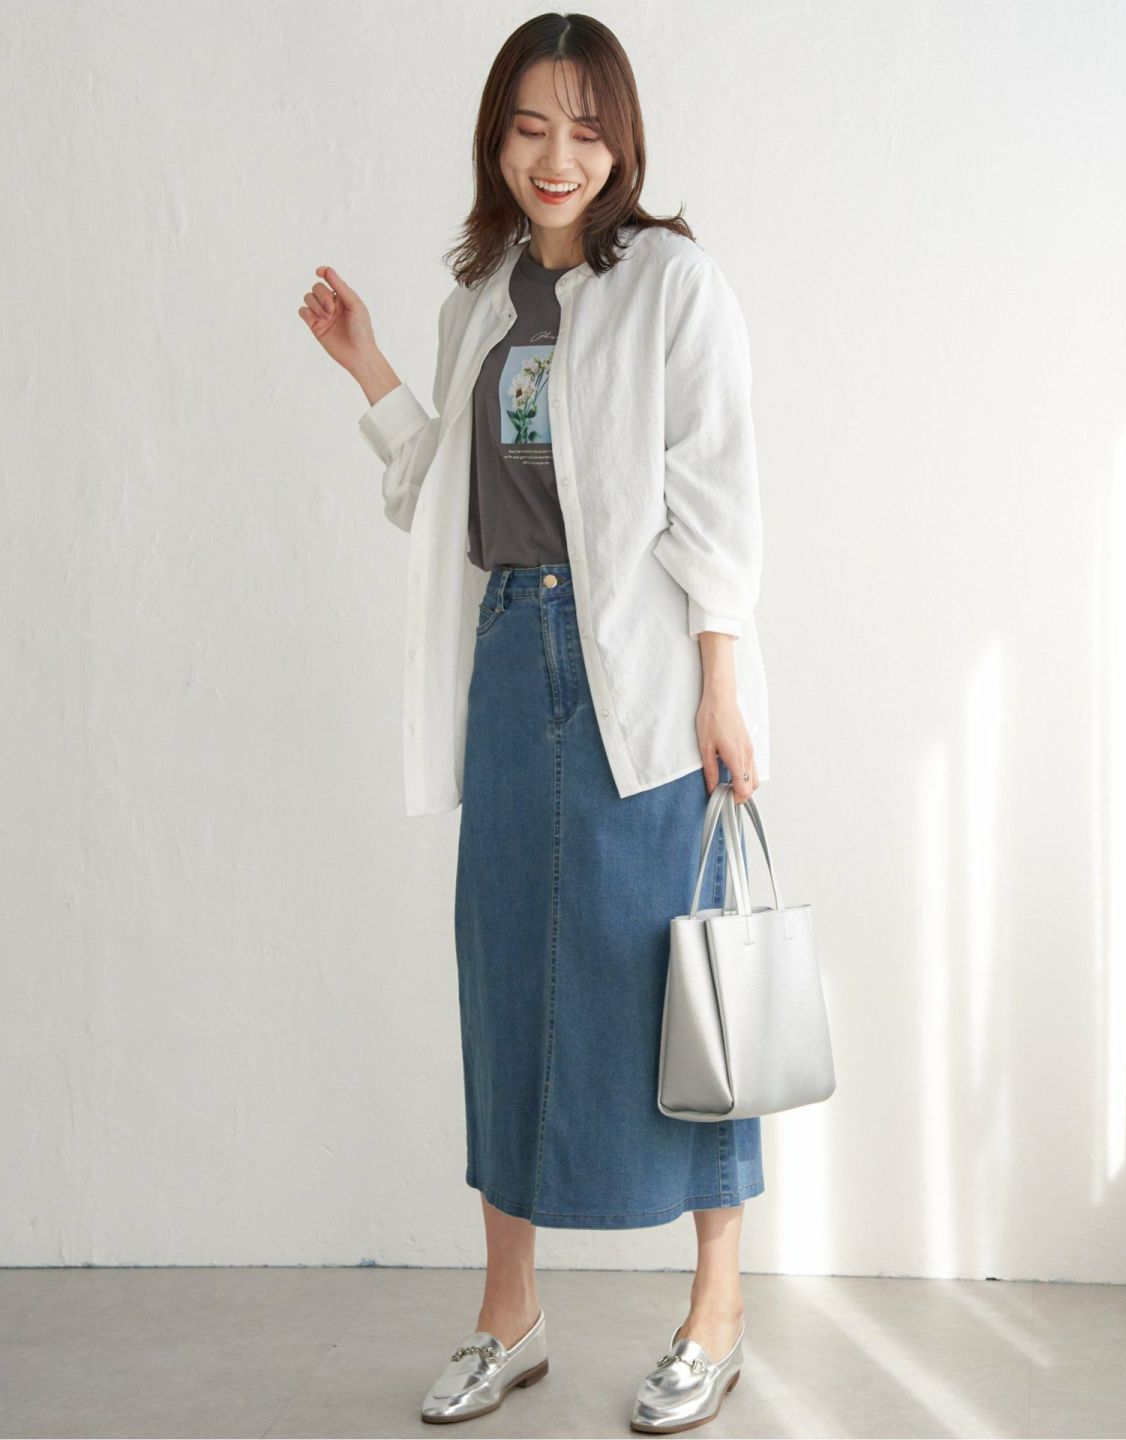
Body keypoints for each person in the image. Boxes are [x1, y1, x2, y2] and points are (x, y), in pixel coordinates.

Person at [298, 12, 770, 1432]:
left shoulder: (674, 284)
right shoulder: (482, 298)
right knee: (503, 976)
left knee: (679, 983)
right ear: (496, 140)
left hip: (641, 676)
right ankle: (508, 1317)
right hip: (511, 657)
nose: (556, 156)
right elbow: (439, 495)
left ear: (622, 142)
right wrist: (371, 366)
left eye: (584, 128)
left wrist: (721, 683)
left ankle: (718, 1312)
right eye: (529, 126)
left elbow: (717, 496)